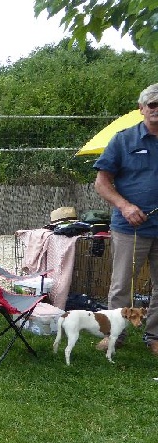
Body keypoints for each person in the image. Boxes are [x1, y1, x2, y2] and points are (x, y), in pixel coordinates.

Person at [93, 83, 158, 356]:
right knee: (122, 285)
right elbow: (101, 183)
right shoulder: (123, 140)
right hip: (131, 227)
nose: (157, 110)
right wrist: (125, 206)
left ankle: (154, 336)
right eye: (152, 105)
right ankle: (114, 335)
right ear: (141, 109)